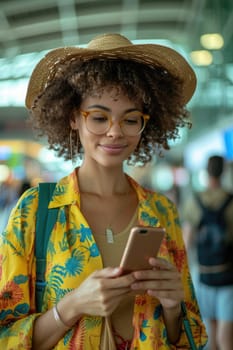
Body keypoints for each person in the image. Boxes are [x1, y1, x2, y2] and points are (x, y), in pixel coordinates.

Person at [0, 33, 207, 349]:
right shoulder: (35, 211)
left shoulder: (162, 211)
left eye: (130, 119)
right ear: (72, 117)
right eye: (98, 117)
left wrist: (172, 307)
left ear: (144, 124)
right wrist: (72, 306)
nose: (114, 131)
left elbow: (191, 338)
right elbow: (5, 336)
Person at [182, 155, 233, 350]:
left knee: (210, 336)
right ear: (224, 171)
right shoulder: (230, 201)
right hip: (228, 276)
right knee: (226, 338)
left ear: (206, 171)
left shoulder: (195, 201)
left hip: (204, 275)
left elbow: (187, 240)